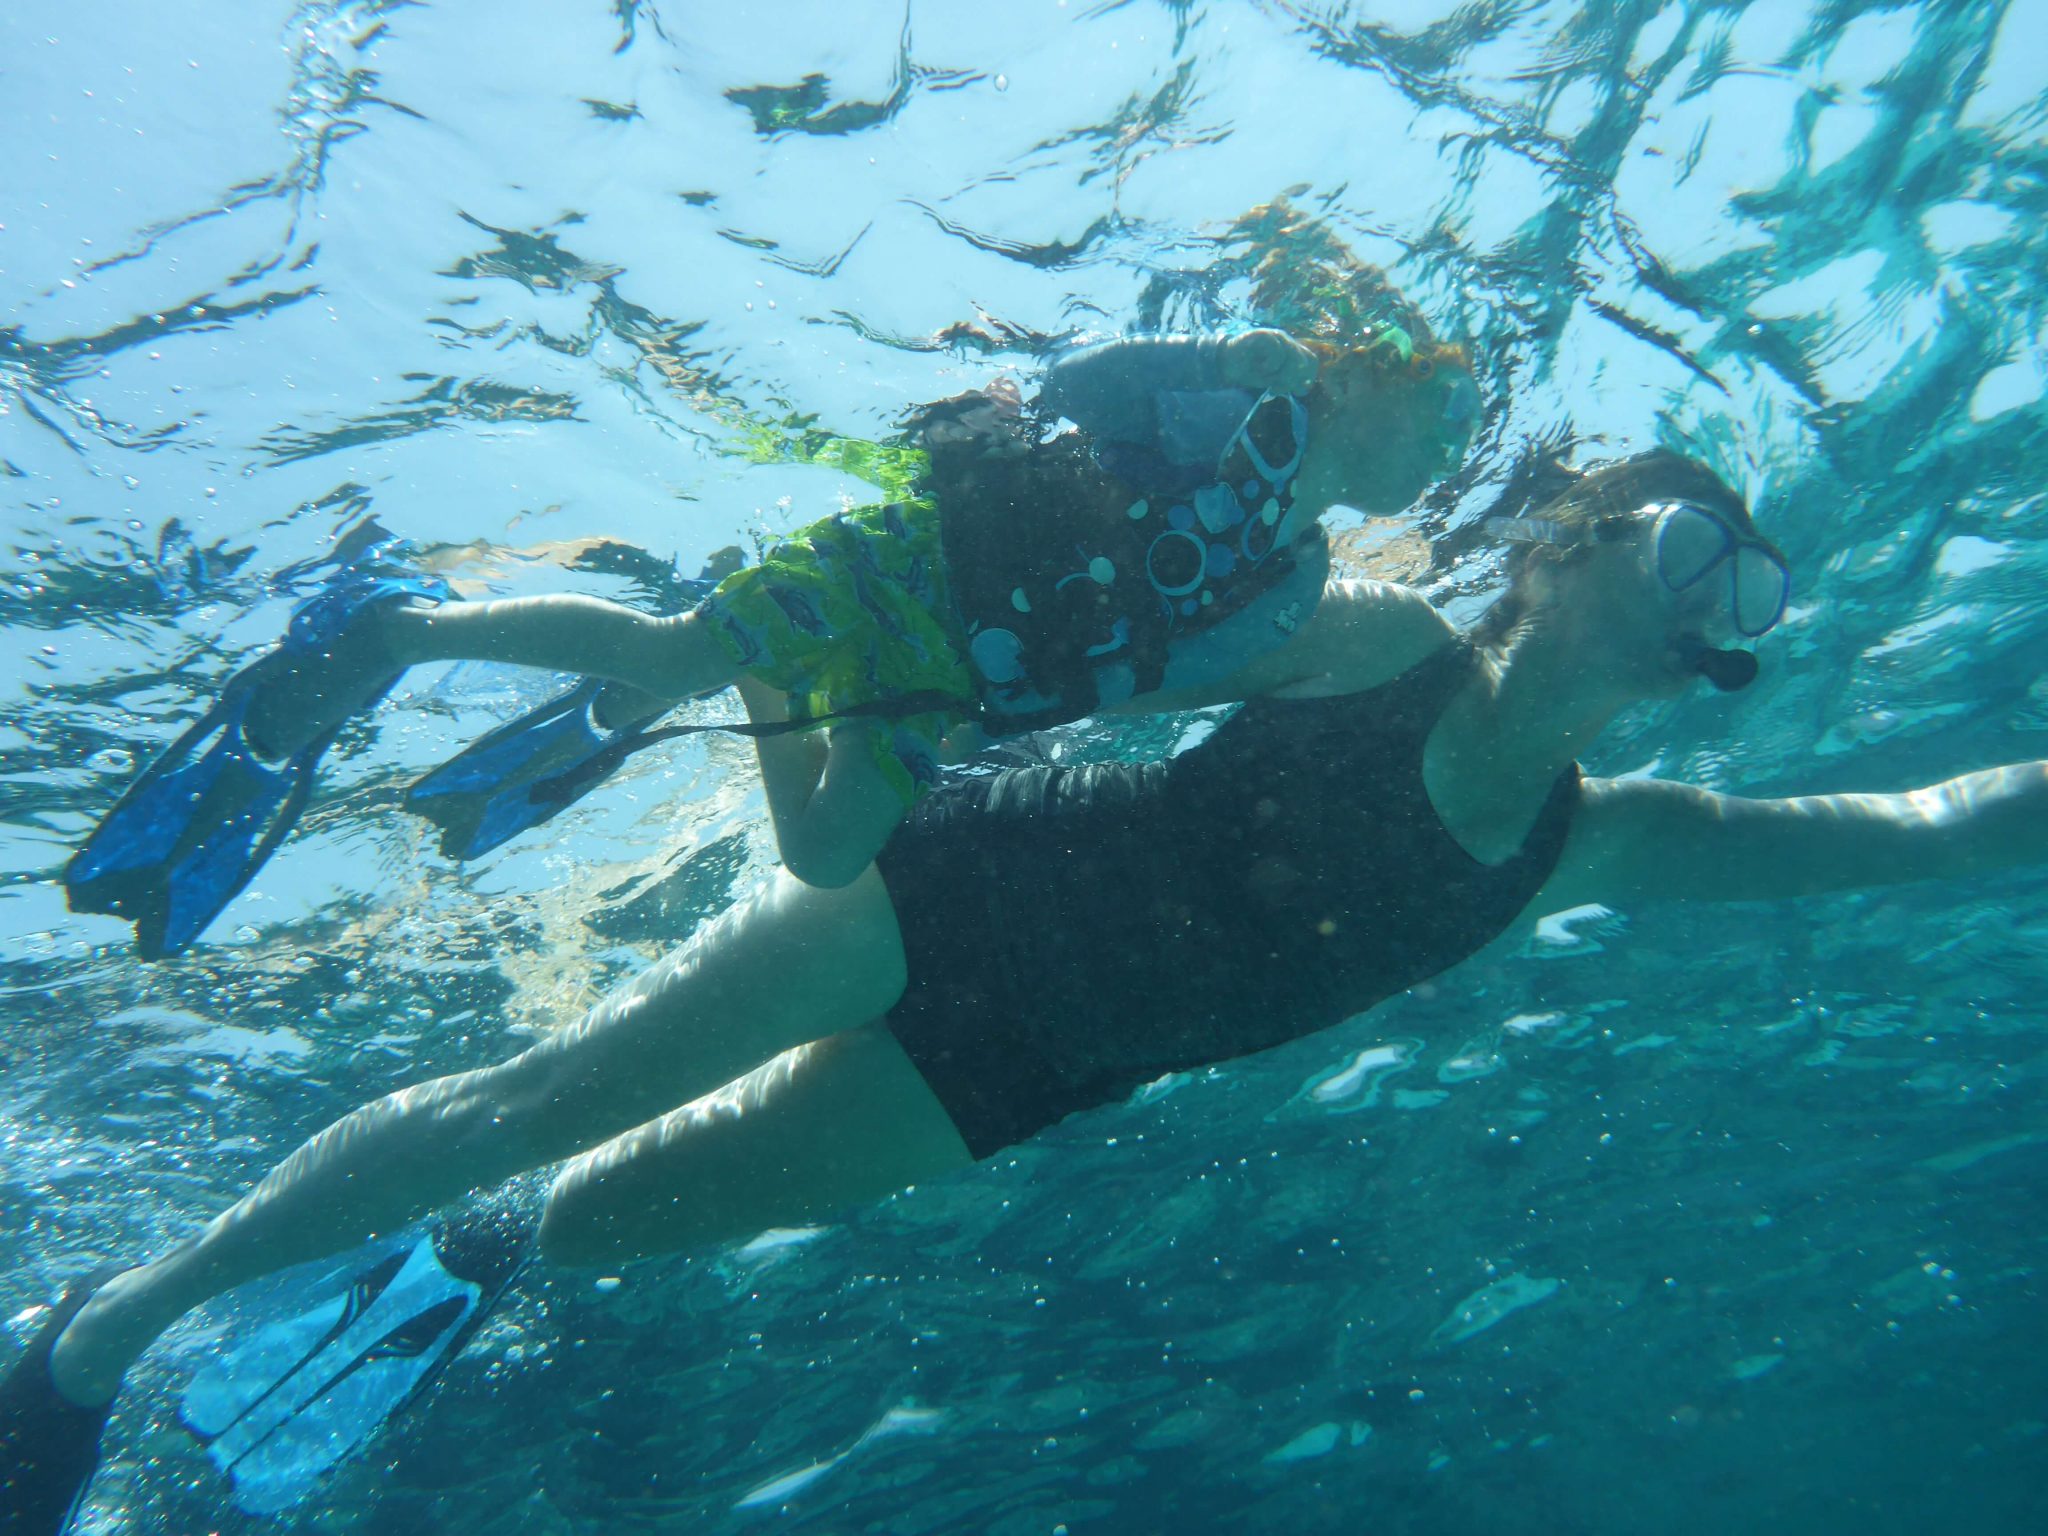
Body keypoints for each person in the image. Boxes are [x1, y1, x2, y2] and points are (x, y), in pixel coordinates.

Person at [22, 446, 2048, 1534]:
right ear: (1569, 541)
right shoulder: (1368, 641)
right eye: (1698, 541)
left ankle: (401, 1288)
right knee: (535, 1100)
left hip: (1042, 1070)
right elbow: (1035, 636)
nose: (1720, 596)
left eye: (1753, 591)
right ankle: (87, 1348)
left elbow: (1939, 827)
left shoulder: (1598, 839)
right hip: (954, 898)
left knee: (580, 1226)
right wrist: (776, 673)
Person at [65, 309, 1480, 957]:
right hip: (907, 570)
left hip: (957, 681)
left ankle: (757, 678)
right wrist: (1208, 358)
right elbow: (1070, 381)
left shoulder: (1296, 580)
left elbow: (1163, 685)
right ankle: (395, 629)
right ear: (1363, 381)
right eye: (1432, 417)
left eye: (1451, 451)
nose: (1435, 459)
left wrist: (1016, 717)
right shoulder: (1231, 401)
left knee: (822, 853)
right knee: (674, 646)